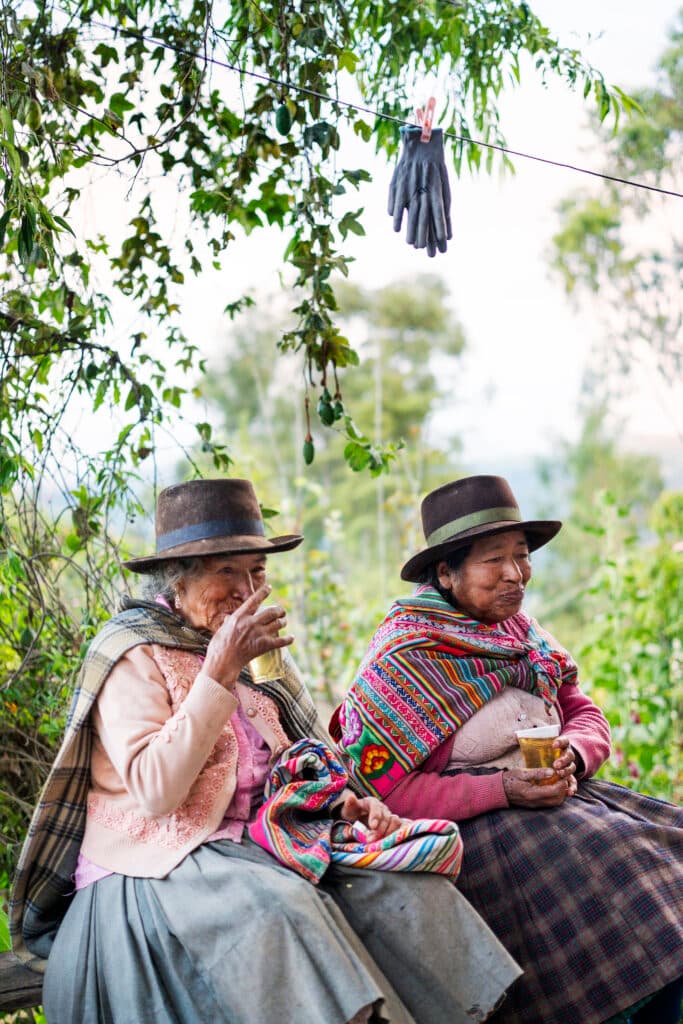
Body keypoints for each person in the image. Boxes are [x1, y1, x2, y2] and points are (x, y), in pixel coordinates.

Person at [10, 477, 521, 1024]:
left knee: (397, 885)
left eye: (256, 571)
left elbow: (292, 758)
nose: (245, 589)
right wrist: (219, 672)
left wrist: (342, 800)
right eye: (226, 571)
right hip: (163, 860)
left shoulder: (253, 650)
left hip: (259, 836)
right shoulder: (132, 652)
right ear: (178, 580)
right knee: (284, 908)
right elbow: (157, 792)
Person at [333, 474, 683, 1024]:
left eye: (522, 557)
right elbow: (387, 789)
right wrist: (503, 788)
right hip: (487, 831)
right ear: (445, 573)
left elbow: (584, 711)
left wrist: (576, 750)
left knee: (659, 865)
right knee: (617, 881)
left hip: (566, 803)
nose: (516, 574)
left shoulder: (524, 633)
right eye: (494, 560)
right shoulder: (406, 656)